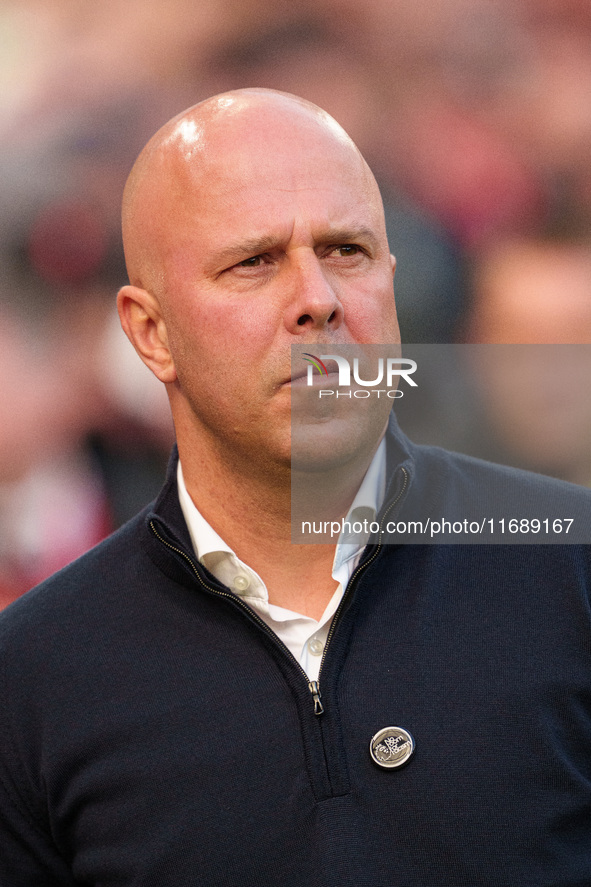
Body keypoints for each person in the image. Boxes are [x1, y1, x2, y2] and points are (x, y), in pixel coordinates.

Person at [1, 89, 591, 887]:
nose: (317, 299)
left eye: (346, 251)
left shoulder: (569, 567)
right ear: (150, 331)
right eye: (254, 261)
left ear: (391, 279)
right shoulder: (33, 678)